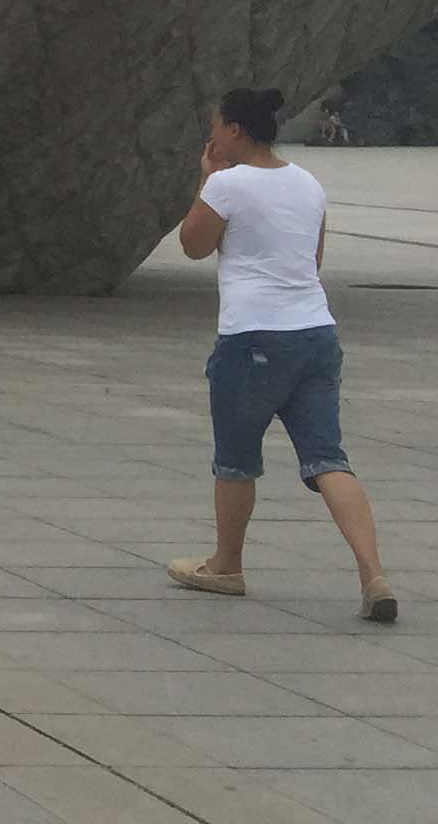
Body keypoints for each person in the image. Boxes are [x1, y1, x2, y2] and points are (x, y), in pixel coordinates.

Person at [169, 87, 396, 622]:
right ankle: (373, 574)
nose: (211, 135)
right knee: (328, 459)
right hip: (316, 334)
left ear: (235, 131)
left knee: (236, 460)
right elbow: (310, 261)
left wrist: (206, 179)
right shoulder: (308, 183)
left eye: (216, 126)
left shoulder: (226, 183)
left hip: (252, 337)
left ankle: (226, 565)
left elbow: (193, 245)